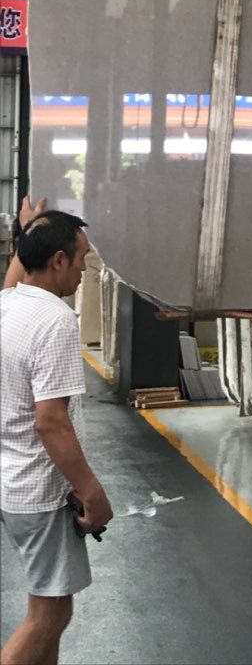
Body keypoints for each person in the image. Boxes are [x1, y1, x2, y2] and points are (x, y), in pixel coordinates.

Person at [1, 199, 113, 665]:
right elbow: (51, 421)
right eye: (82, 258)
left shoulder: (10, 303)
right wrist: (92, 492)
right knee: (48, 617)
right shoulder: (55, 320)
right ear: (59, 260)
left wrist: (28, 232)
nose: (85, 268)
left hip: (14, 483)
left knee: (49, 612)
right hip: (42, 494)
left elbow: (16, 276)